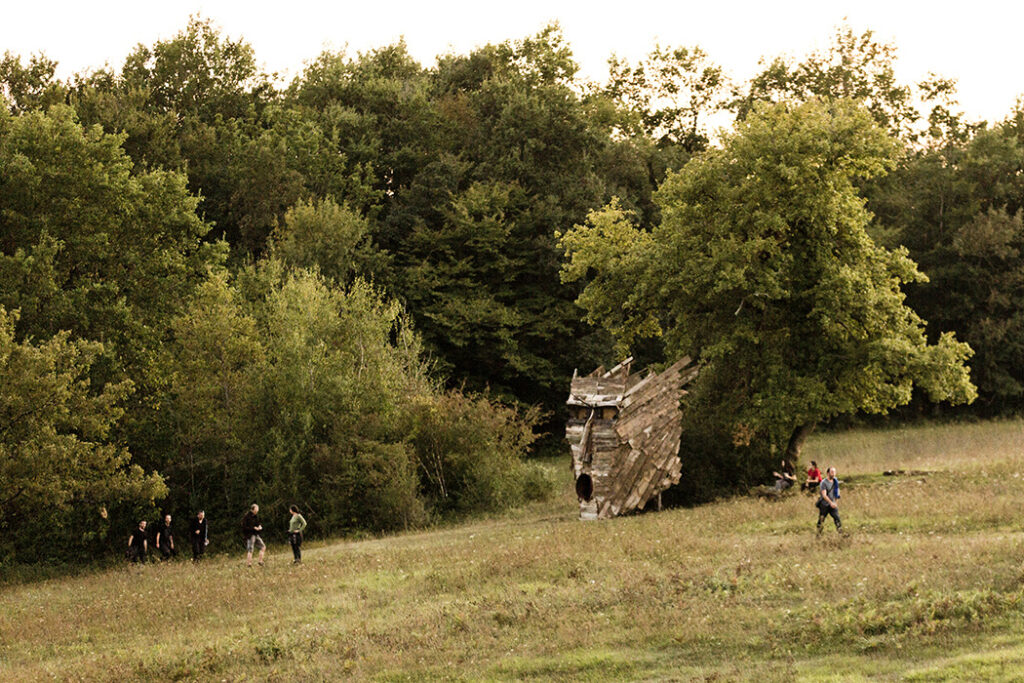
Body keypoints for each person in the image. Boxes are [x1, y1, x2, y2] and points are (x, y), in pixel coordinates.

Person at [817, 466, 842, 535]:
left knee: (837, 518)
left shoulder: (836, 482)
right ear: (828, 473)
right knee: (821, 520)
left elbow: (837, 493)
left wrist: (835, 503)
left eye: (834, 472)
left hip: (833, 504)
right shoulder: (823, 483)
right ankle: (818, 534)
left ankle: (841, 533)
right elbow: (824, 495)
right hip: (824, 505)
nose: (833, 474)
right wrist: (831, 503)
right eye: (832, 472)